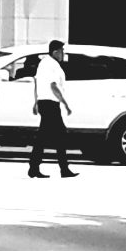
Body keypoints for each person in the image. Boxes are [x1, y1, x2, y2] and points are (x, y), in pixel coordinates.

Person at [29, 37, 75, 178]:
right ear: (55, 52)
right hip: (51, 104)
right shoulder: (52, 65)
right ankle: (63, 169)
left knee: (43, 137)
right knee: (60, 136)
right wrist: (65, 104)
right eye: (61, 51)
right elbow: (53, 86)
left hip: (44, 102)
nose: (63, 54)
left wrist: (36, 101)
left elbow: (37, 82)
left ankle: (34, 167)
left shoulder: (43, 63)